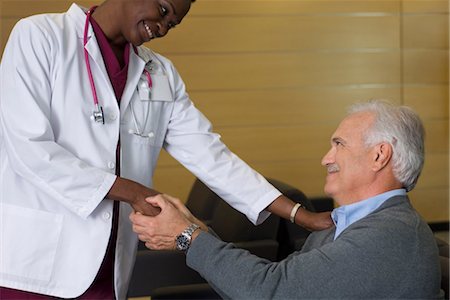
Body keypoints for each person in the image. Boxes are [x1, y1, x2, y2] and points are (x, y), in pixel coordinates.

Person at [0, 0, 332, 299]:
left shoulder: (159, 73)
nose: (162, 28)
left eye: (172, 23)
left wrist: (299, 214)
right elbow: (29, 148)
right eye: (162, 10)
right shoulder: (40, 36)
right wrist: (132, 192)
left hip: (108, 262)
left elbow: (210, 155)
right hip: (35, 264)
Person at [131, 100, 443, 299]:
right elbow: (267, 288)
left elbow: (270, 291)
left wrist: (188, 236)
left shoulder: (389, 235)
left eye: (339, 145)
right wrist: (193, 229)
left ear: (379, 155)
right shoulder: (345, 223)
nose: (326, 158)